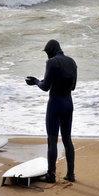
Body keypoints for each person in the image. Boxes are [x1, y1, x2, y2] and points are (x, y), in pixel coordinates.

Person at [26, 39, 77, 183]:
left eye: (47, 52)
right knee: (67, 139)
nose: (47, 56)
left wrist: (36, 81)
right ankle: (71, 174)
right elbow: (73, 87)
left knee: (52, 141)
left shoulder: (52, 62)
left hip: (55, 104)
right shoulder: (72, 62)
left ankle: (51, 175)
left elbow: (45, 86)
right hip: (68, 103)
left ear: (52, 50)